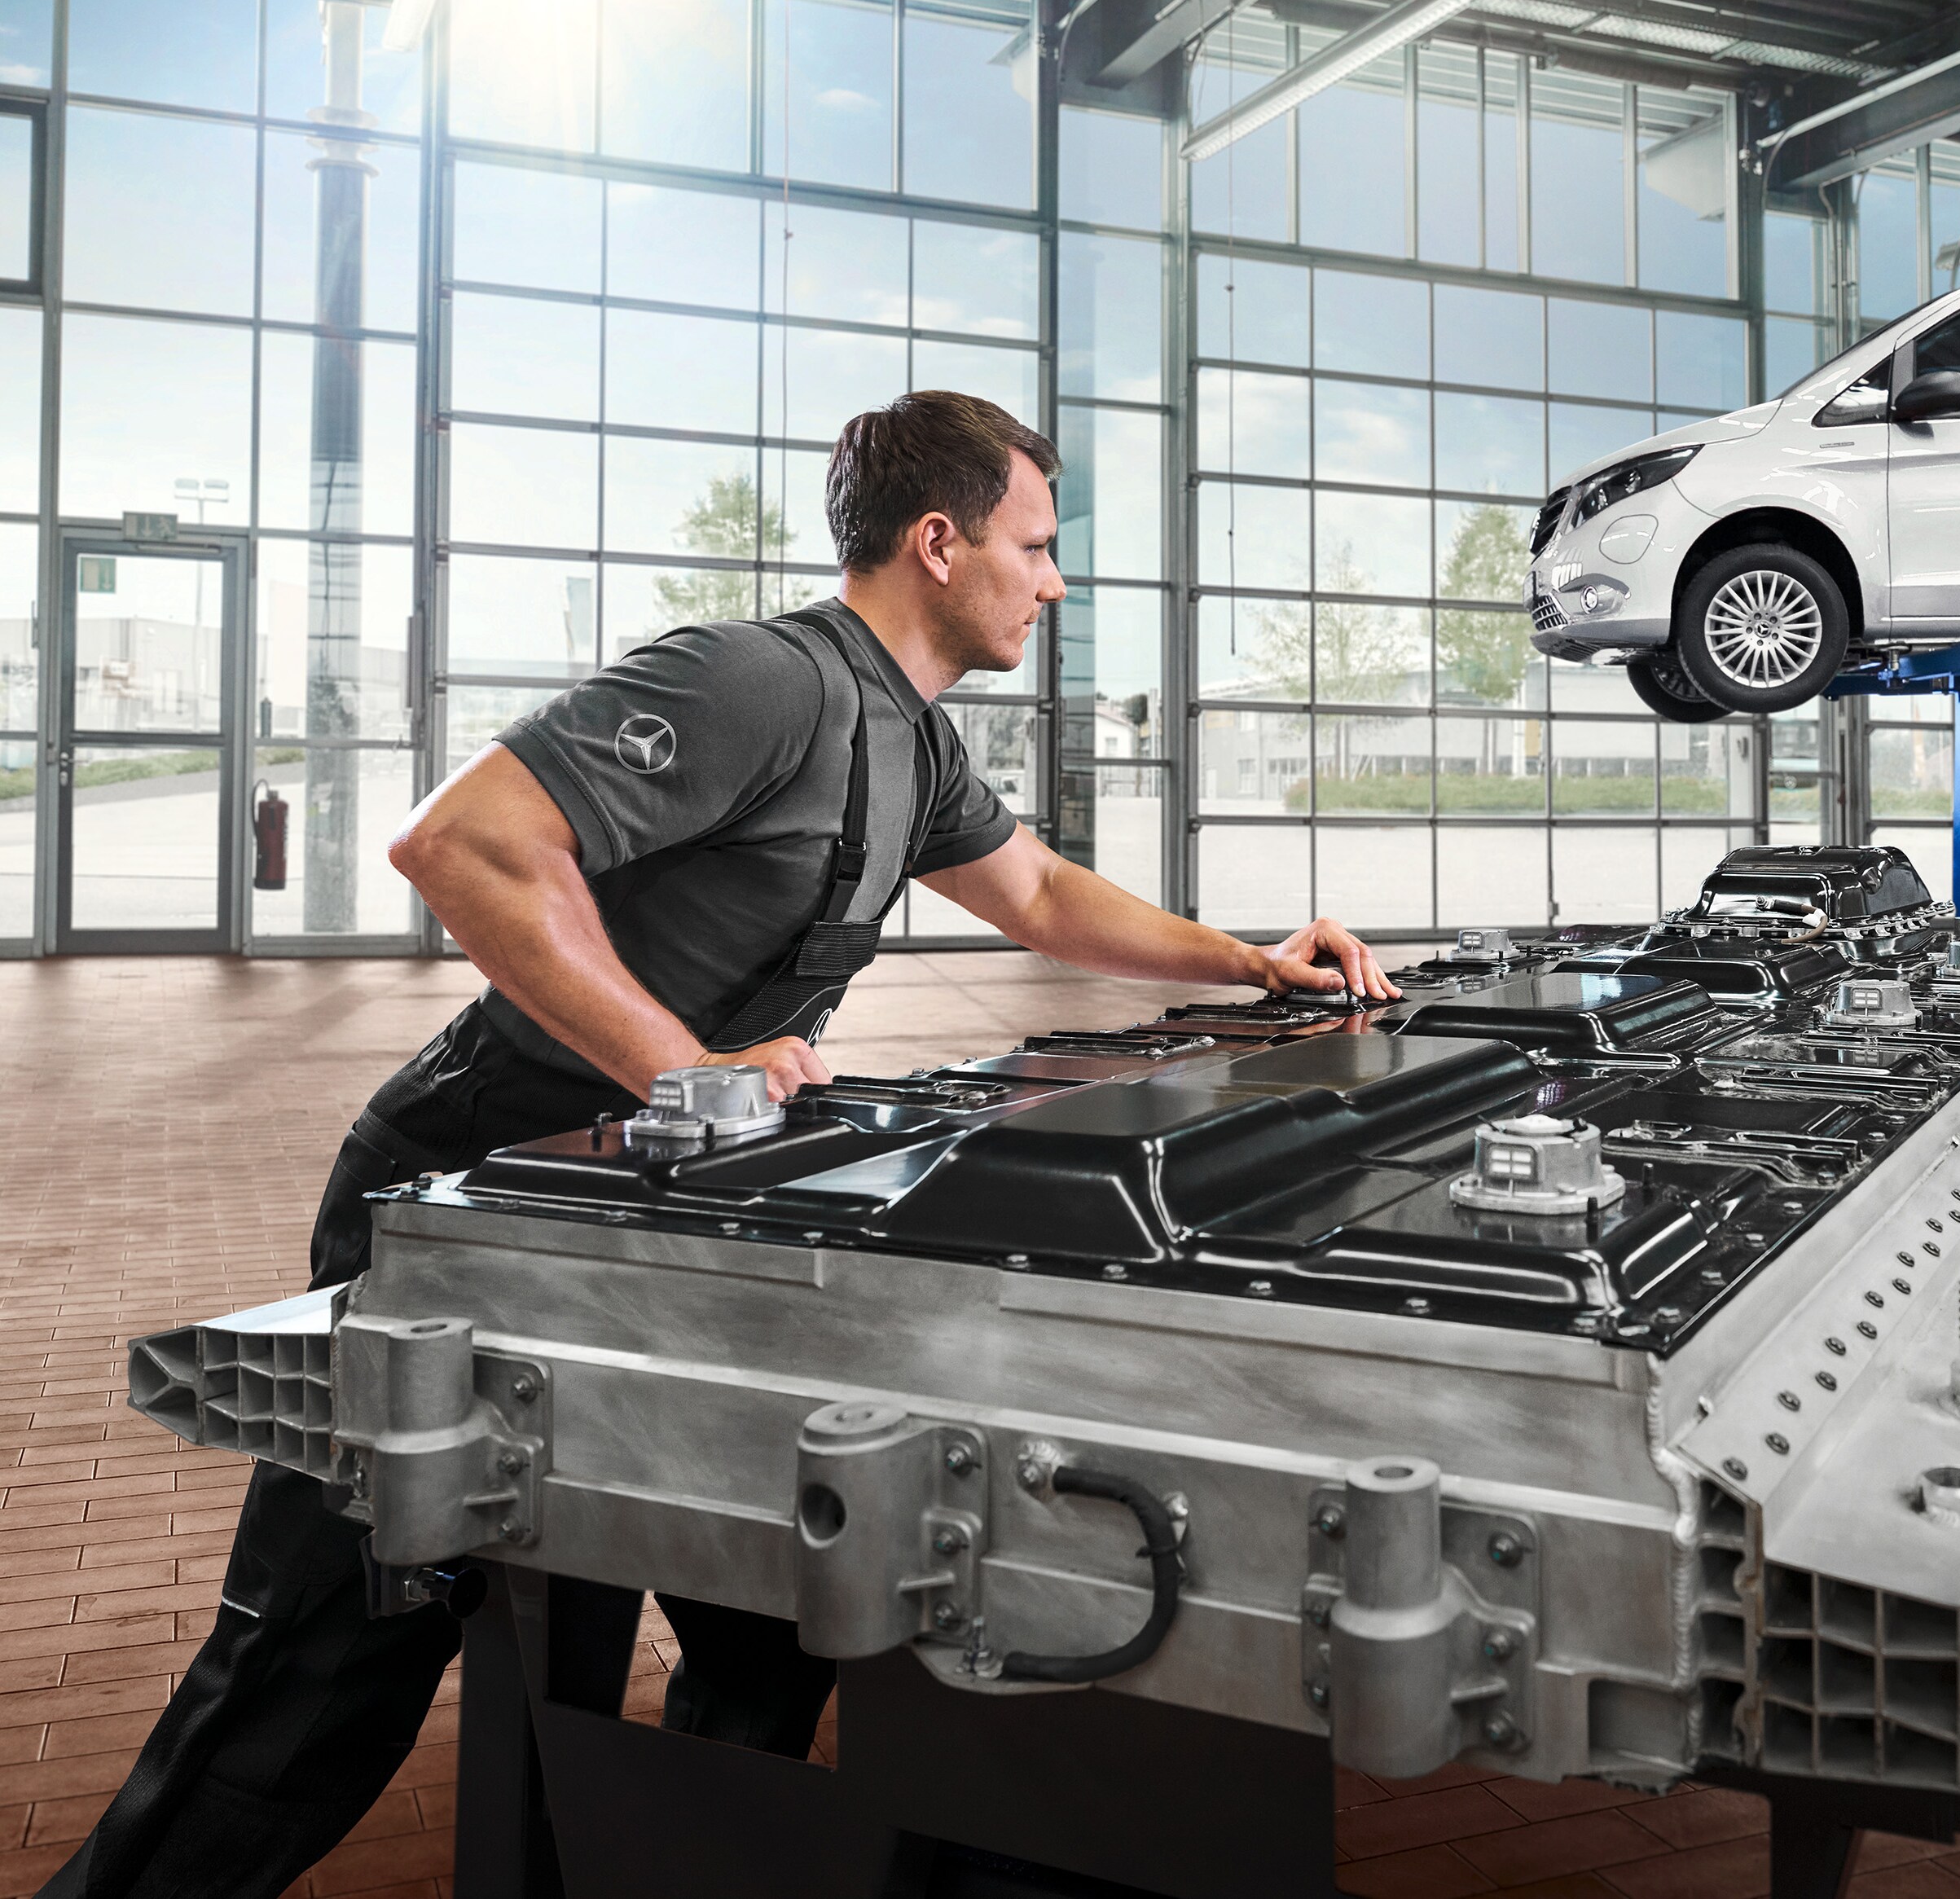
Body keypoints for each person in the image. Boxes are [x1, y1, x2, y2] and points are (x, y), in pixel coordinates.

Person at [45, 391, 1399, 1899]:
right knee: (324, 1671)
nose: (1056, 580)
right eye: (1037, 544)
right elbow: (461, 843)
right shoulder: (756, 681)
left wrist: (1251, 963)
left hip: (645, 1215)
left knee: (771, 1616)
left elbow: (1042, 897)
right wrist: (689, 1073)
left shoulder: (916, 742)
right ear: (937, 543)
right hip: (464, 1199)